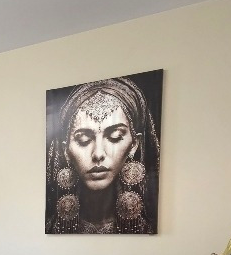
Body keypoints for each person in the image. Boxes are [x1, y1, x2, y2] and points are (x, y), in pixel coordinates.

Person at [46, 77, 160, 234]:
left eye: (115, 136)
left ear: (134, 144)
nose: (98, 154)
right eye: (83, 139)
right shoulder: (50, 228)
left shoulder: (147, 228)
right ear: (66, 151)